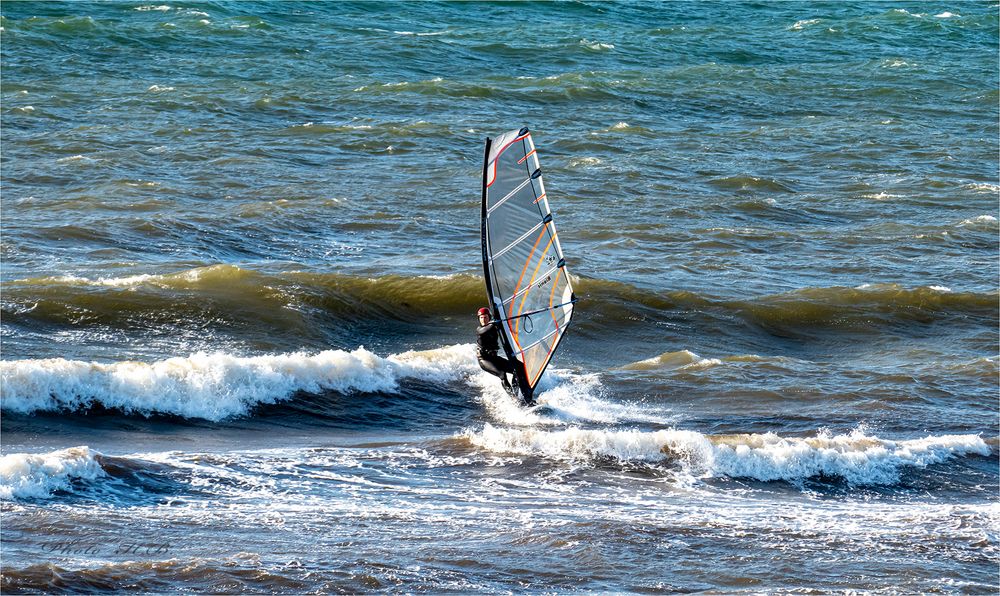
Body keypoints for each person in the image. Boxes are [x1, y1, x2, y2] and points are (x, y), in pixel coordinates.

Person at [475, 307, 516, 393]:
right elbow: (487, 329)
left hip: (494, 358)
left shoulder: (494, 327)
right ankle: (514, 398)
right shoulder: (480, 329)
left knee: (516, 371)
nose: (483, 320)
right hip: (484, 360)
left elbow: (508, 325)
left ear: (489, 317)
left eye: (485, 317)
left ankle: (518, 393)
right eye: (481, 318)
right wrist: (494, 323)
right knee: (502, 374)